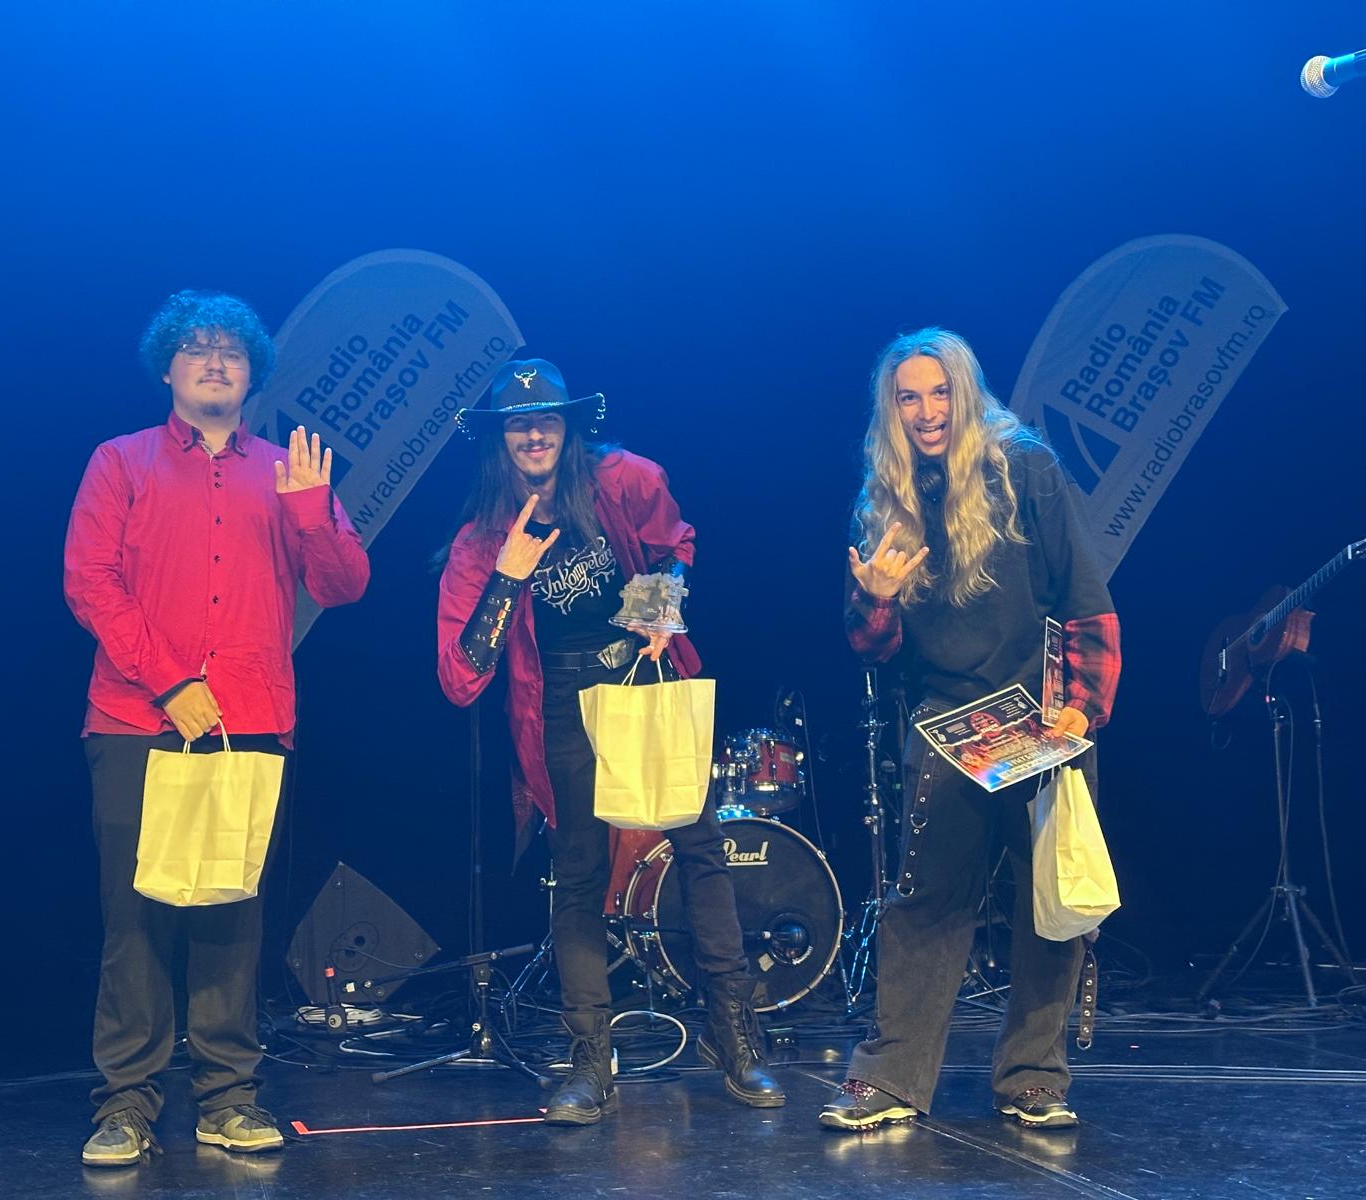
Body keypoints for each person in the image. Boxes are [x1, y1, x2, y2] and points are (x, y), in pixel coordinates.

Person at [64, 290, 369, 1165]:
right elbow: (89, 581)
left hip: (249, 721)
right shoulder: (120, 461)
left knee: (231, 915)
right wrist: (169, 683)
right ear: (167, 367)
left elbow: (344, 584)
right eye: (196, 348)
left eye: (231, 351)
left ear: (251, 374)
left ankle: (228, 1098)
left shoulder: (286, 471)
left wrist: (312, 507)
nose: (214, 361)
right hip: (135, 718)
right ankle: (126, 1104)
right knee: (136, 918)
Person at [435, 359, 783, 1124]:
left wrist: (660, 608)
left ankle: (734, 1037)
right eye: (518, 425)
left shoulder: (623, 480)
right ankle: (590, 1060)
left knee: (699, 850)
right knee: (579, 876)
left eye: (546, 421)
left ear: (568, 428)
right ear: (499, 441)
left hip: (640, 678)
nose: (533, 434)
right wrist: (507, 576)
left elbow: (673, 545)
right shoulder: (481, 539)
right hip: (559, 704)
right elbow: (461, 676)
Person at [822, 328, 1120, 1132]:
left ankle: (1033, 1076)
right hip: (948, 724)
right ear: (890, 410)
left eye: (939, 392)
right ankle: (889, 1078)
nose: (926, 412)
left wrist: (1084, 704)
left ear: (965, 393)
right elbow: (873, 648)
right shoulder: (885, 496)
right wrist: (877, 599)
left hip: (1041, 716)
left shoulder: (1026, 468)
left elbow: (1086, 595)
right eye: (908, 398)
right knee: (924, 902)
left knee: (1049, 903)